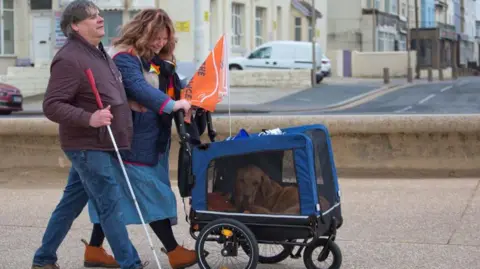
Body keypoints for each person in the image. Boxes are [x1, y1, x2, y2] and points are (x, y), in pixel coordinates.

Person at [31, 1, 149, 269]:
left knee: (70, 204)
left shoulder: (97, 52)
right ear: (75, 25)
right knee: (110, 205)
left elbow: (102, 92)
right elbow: (52, 105)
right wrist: (89, 118)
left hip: (102, 143)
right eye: (91, 17)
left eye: (99, 14)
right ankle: (131, 264)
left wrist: (126, 104)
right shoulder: (69, 58)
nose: (99, 19)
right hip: (87, 145)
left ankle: (43, 258)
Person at [78, 8, 198, 269]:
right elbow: (137, 87)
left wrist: (191, 98)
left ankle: (95, 250)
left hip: (148, 140)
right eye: (156, 37)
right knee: (149, 194)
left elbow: (172, 86)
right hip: (131, 142)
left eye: (165, 38)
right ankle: (174, 251)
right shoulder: (124, 57)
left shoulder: (153, 59)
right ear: (141, 32)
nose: (160, 43)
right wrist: (171, 104)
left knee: (115, 197)